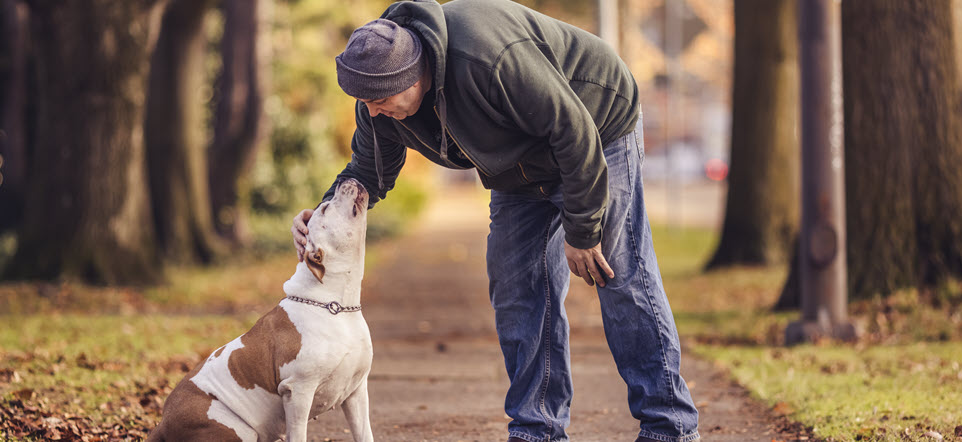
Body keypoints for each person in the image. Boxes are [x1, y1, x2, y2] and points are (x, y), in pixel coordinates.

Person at [290, 0, 700, 440]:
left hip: (597, 129)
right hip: (518, 169)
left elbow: (573, 131)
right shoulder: (380, 102)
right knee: (516, 290)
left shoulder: (489, 59)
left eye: (380, 100)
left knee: (620, 277)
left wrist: (583, 231)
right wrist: (322, 216)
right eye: (364, 102)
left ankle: (669, 425)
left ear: (412, 75)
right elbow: (368, 172)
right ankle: (536, 429)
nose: (372, 111)